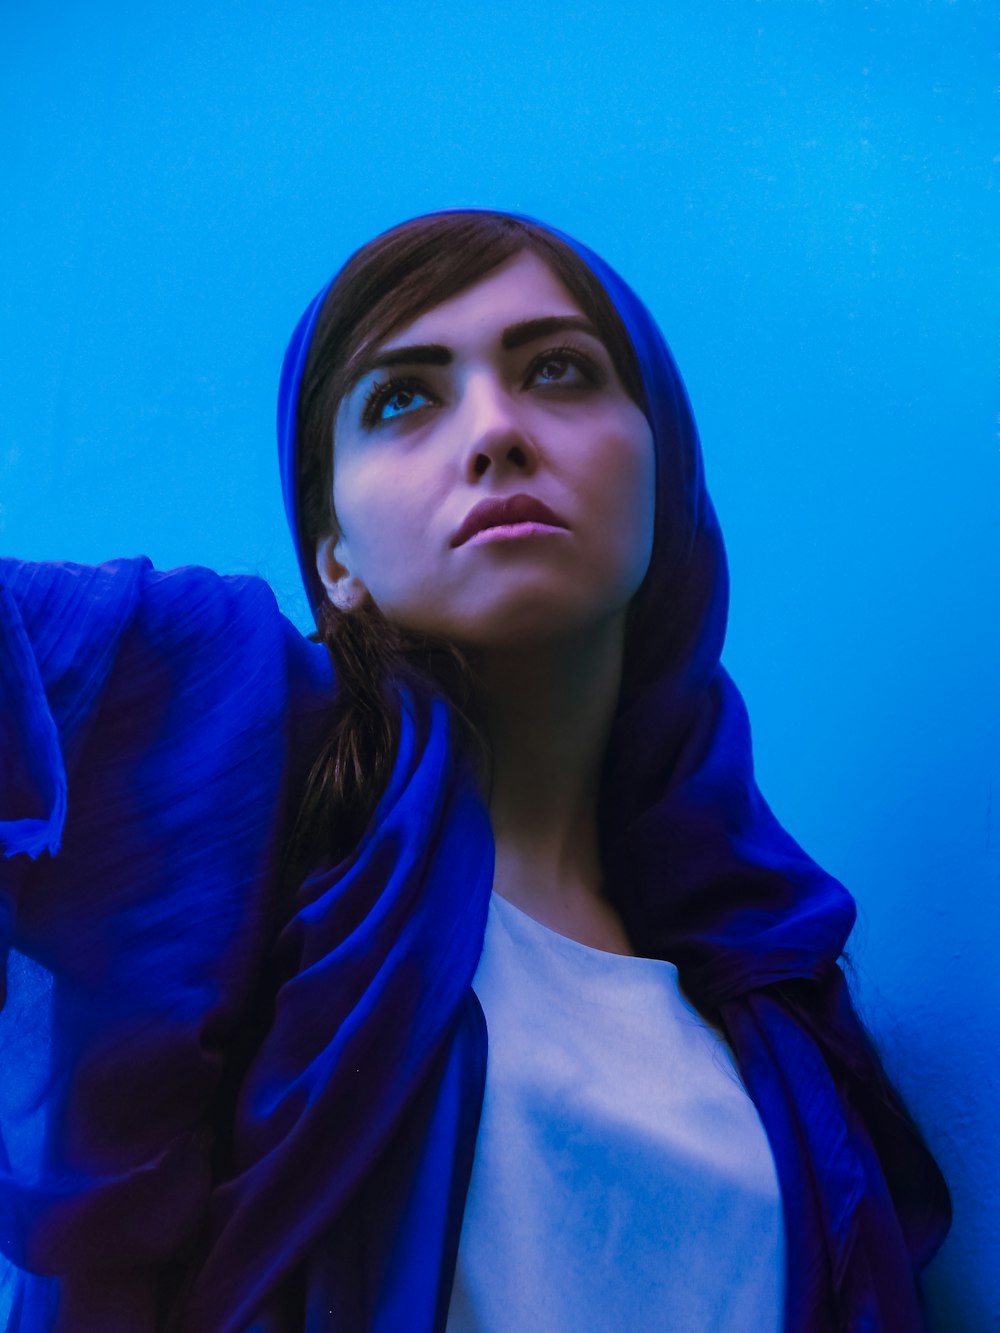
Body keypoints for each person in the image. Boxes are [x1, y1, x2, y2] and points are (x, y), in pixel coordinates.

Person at [0, 207, 951, 1332]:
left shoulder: (779, 1002)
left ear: (666, 473)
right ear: (334, 558)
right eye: (403, 397)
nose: (495, 431)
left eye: (558, 370)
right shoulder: (237, 754)